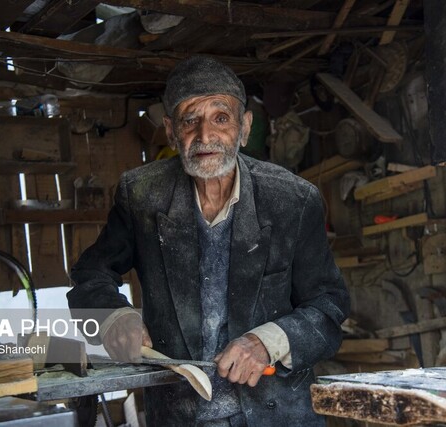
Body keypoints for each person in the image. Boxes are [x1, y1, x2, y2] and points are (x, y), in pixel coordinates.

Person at [67, 55, 350, 427]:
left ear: (245, 127)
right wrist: (115, 318)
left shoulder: (294, 201)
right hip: (179, 415)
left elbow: (329, 307)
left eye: (221, 118)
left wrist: (268, 342)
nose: (205, 137)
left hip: (277, 414)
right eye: (190, 120)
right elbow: (91, 274)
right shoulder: (141, 195)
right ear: (170, 130)